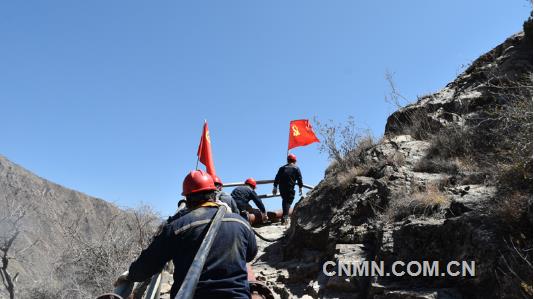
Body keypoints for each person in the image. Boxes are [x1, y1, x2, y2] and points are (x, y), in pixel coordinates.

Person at [116, 170, 257, 299]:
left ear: (187, 199)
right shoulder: (240, 223)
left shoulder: (176, 228)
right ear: (214, 195)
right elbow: (250, 253)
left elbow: (147, 265)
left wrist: (131, 274)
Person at [272, 153, 303, 224]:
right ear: (295, 160)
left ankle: (284, 218)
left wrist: (275, 187)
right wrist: (300, 187)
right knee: (288, 202)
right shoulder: (296, 168)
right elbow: (299, 179)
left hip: (282, 188)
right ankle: (285, 218)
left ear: (287, 160)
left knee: (285, 201)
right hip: (290, 187)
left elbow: (277, 178)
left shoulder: (282, 168)